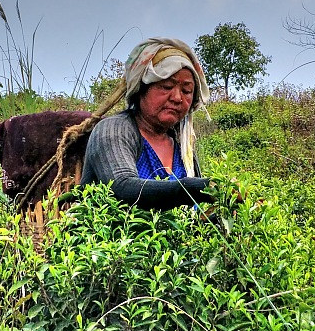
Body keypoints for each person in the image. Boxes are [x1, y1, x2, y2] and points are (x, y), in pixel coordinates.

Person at [80, 37, 215, 210]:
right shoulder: (113, 131)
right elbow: (122, 188)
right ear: (141, 89)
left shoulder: (183, 149)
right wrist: (198, 188)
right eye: (166, 86)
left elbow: (192, 217)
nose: (177, 97)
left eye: (186, 90)